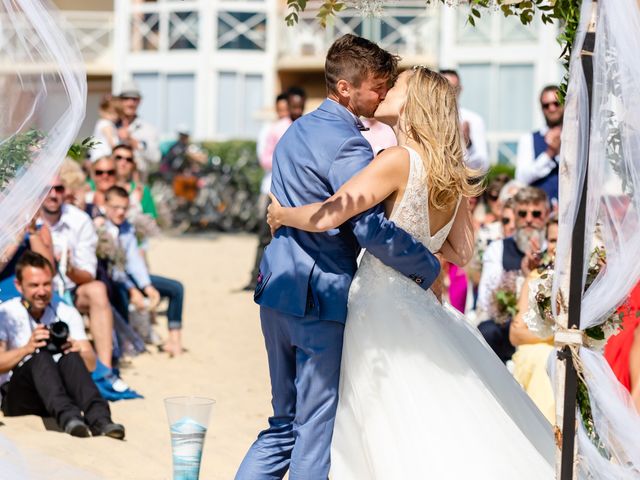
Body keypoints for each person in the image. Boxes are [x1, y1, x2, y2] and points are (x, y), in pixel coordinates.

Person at [266, 66, 554, 478]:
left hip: (376, 306)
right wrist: (426, 252)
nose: (385, 90)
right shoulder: (452, 174)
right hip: (420, 306)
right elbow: (463, 249)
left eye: (396, 85)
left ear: (414, 103)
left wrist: (282, 214)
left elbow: (334, 213)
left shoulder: (397, 160)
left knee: (379, 417)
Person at [236, 36, 444, 480]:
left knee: (283, 423)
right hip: (317, 294)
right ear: (346, 88)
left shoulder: (296, 131)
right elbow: (365, 226)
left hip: (275, 288)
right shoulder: (348, 144)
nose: (384, 93)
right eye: (378, 84)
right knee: (314, 429)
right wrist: (427, 266)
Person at [0, 251, 125, 439]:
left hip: (57, 393)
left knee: (72, 357)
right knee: (41, 358)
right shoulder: (6, 313)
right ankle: (70, 419)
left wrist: (76, 348)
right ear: (19, 286)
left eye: (46, 284)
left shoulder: (65, 312)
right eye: (34, 285)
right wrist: (27, 348)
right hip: (18, 395)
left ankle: (101, 420)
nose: (41, 291)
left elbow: (91, 364)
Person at [40, 177, 115, 371]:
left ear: (66, 191)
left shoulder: (79, 220)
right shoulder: (26, 217)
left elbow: (88, 274)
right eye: (48, 189)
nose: (53, 194)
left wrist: (70, 268)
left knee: (98, 290)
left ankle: (105, 369)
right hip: (34, 289)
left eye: (58, 188)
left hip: (69, 291)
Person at [103, 186, 185, 356]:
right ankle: (124, 342)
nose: (120, 212)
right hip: (112, 280)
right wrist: (133, 290)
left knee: (176, 288)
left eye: (124, 208)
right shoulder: (101, 229)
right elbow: (113, 271)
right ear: (105, 206)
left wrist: (146, 286)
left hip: (130, 277)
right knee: (121, 293)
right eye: (116, 207)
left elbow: (134, 261)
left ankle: (174, 340)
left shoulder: (127, 228)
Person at [243, 87, 307, 291]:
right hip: (274, 189)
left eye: (300, 106)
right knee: (266, 235)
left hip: (300, 190)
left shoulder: (307, 126)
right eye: (293, 106)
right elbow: (264, 158)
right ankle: (257, 277)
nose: (296, 110)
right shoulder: (276, 129)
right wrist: (288, 162)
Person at [509, 217, 558, 422]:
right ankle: (543, 430)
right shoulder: (537, 277)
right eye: (553, 240)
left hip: (571, 353)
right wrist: (553, 335)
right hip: (536, 353)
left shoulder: (589, 281)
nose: (558, 246)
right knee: (544, 359)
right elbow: (516, 334)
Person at [515, 85, 564, 206]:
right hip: (538, 214)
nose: (551, 108)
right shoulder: (529, 139)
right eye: (546, 105)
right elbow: (521, 178)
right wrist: (549, 153)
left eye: (556, 103)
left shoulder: (578, 137)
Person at [440, 69, 490, 172]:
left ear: (460, 89)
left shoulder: (473, 120)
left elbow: (483, 166)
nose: (448, 93)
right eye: (443, 88)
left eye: (453, 88)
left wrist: (468, 144)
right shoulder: (424, 119)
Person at [115, 81, 161, 179]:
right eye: (126, 98)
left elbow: (156, 158)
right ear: (119, 101)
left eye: (134, 99)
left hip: (137, 186)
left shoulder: (149, 129)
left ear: (140, 101)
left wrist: (132, 141)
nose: (130, 103)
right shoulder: (109, 126)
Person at [113, 143, 158, 220]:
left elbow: (151, 223)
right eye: (118, 158)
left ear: (133, 165)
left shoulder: (143, 191)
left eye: (128, 159)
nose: (123, 163)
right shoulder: (95, 186)